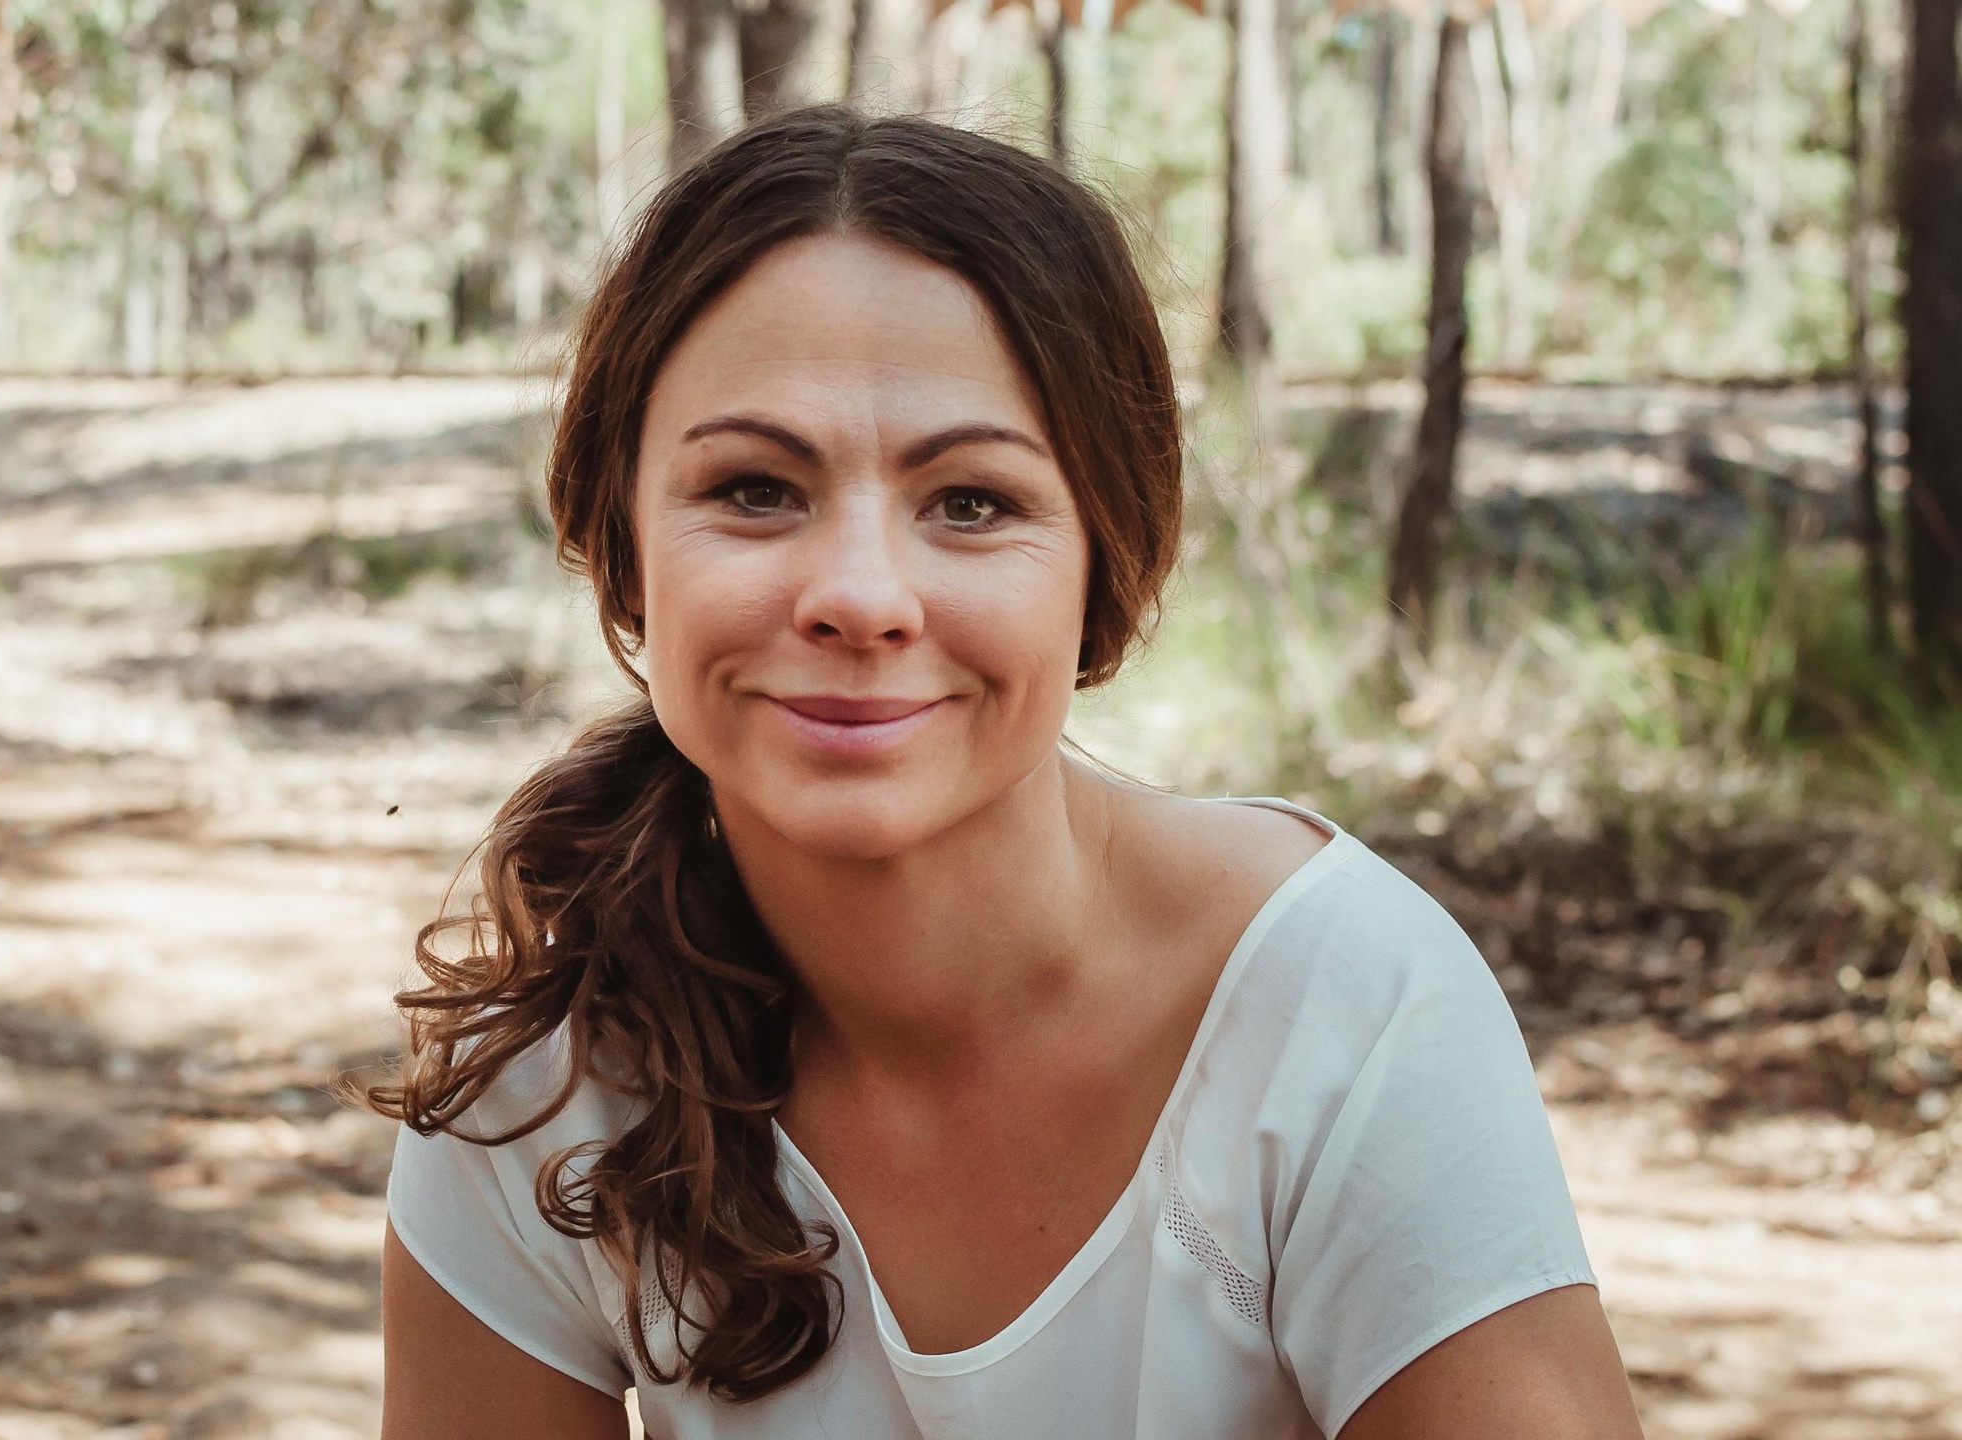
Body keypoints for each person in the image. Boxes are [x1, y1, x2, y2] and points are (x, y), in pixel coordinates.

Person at [373, 105, 1645, 1440]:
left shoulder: (1343, 1010)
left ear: (1104, 565)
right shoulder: (546, 1073)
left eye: (971, 503)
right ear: (623, 544)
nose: (861, 597)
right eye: (754, 489)